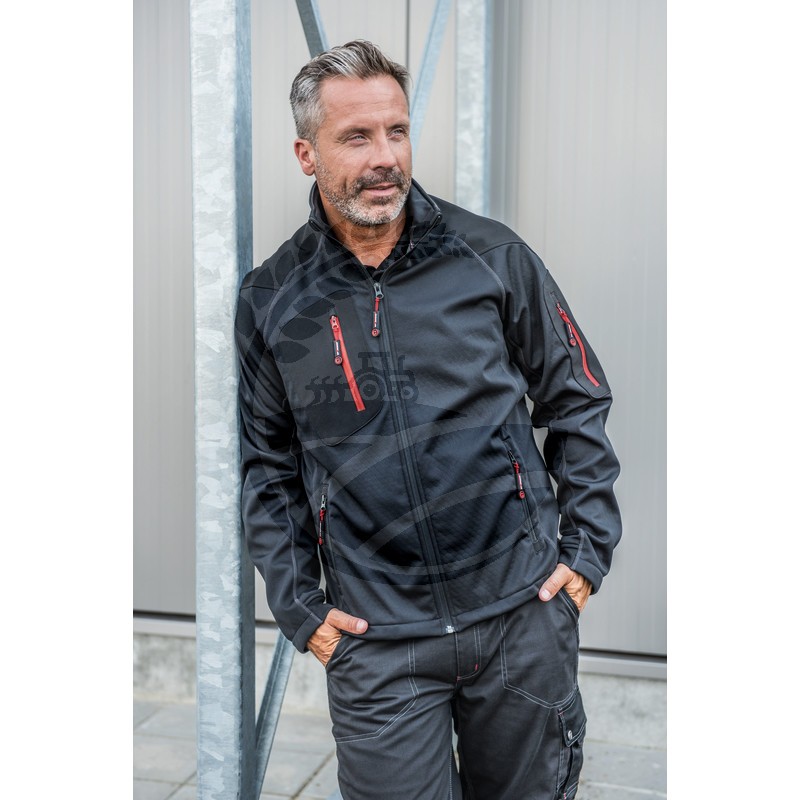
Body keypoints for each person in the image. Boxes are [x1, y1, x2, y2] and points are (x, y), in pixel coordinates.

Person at [236, 39, 622, 800]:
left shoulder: (492, 256)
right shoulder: (273, 298)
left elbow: (577, 396)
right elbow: (267, 465)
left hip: (521, 618)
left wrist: (584, 553)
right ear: (307, 154)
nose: (385, 157)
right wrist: (301, 607)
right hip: (377, 642)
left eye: (397, 131)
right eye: (356, 137)